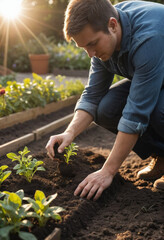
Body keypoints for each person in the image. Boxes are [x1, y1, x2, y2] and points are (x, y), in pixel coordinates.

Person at [46, 0, 164, 200]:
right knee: (106, 108)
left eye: (92, 44)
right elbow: (93, 95)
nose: (91, 54)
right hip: (157, 78)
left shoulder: (148, 37)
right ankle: (161, 156)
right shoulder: (104, 36)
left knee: (158, 111)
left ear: (112, 25)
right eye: (84, 48)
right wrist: (69, 133)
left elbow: (136, 113)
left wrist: (107, 171)